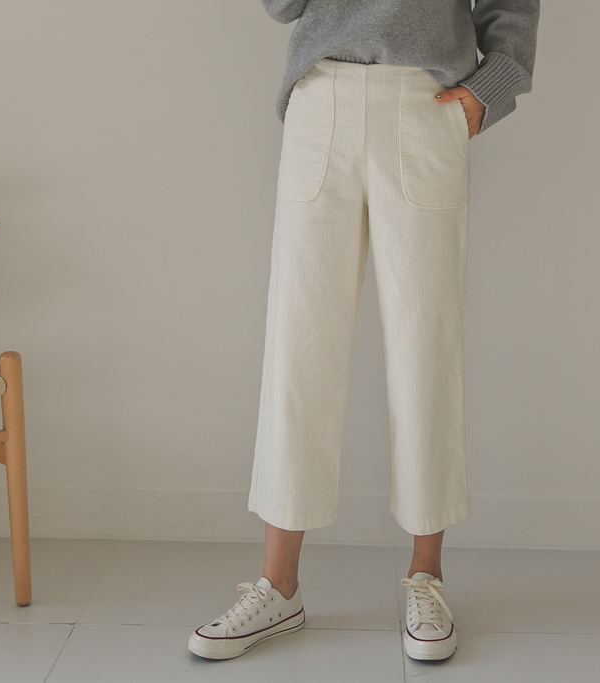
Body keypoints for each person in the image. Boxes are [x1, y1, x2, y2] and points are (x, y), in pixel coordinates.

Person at [189, 0, 539, 662]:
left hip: (426, 101)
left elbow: (512, 7)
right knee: (298, 348)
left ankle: (427, 578)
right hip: (322, 99)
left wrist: (487, 89)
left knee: (425, 343)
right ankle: (278, 586)